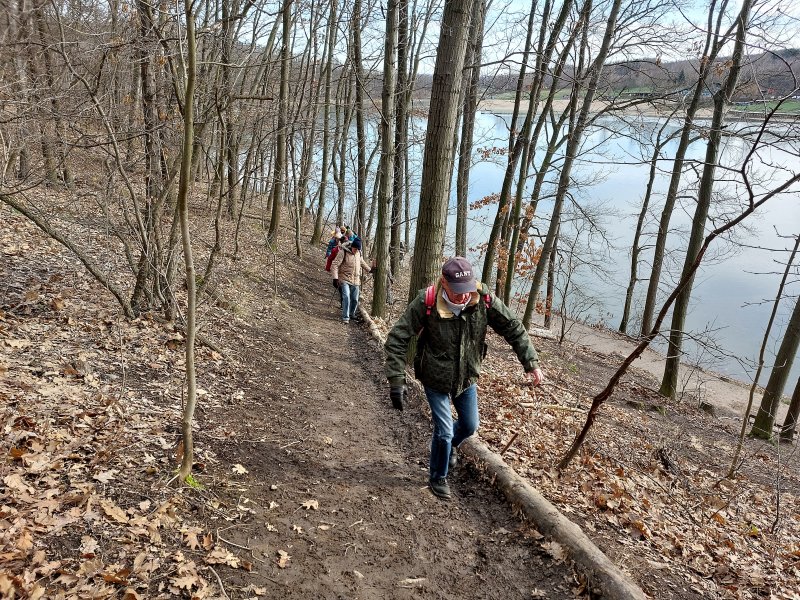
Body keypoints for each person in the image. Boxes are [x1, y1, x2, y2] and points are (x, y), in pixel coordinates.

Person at [384, 256, 544, 500]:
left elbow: (513, 327)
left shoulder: (484, 300)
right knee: (444, 431)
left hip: (467, 377)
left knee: (469, 426)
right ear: (444, 283)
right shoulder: (426, 301)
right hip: (434, 377)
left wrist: (530, 363)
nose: (463, 297)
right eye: (457, 292)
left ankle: (449, 447)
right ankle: (438, 476)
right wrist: (396, 379)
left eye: (467, 290)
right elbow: (397, 338)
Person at [330, 237, 372, 324]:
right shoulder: (343, 252)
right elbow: (334, 264)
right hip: (344, 278)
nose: (356, 250)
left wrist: (370, 270)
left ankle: (352, 314)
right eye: (355, 248)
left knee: (355, 299)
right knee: (346, 297)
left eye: (358, 249)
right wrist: (335, 278)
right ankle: (346, 317)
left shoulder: (358, 253)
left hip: (356, 280)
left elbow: (362, 262)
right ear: (352, 246)